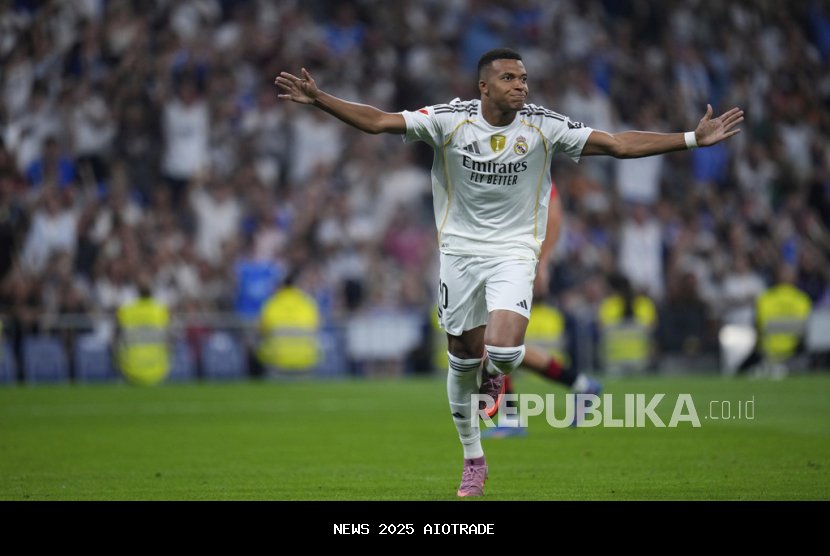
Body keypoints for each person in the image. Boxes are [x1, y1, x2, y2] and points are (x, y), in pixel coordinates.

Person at [276, 47, 743, 497]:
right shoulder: (449, 120)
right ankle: (473, 459)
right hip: (458, 254)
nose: (520, 85)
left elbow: (618, 144)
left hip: (514, 253)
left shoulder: (543, 126)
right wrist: (320, 99)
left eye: (523, 78)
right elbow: (378, 121)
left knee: (499, 350)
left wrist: (689, 138)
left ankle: (498, 375)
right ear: (484, 86)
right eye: (509, 78)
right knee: (462, 358)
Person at [483, 181, 602, 437]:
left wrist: (543, 263)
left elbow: (555, 214)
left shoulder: (530, 162)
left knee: (496, 342)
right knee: (504, 345)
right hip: (501, 261)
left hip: (521, 263)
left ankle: (510, 417)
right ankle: (580, 384)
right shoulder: (500, 163)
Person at [256, 273, 322, 374]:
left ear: (281, 286)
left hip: (277, 360)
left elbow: (261, 330)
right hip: (305, 360)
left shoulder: (272, 303)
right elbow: (316, 328)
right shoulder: (308, 303)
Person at [115, 274, 171, 386]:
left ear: (137, 291)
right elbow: (169, 339)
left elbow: (117, 339)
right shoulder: (161, 311)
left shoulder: (126, 311)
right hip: (157, 370)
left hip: (130, 370)